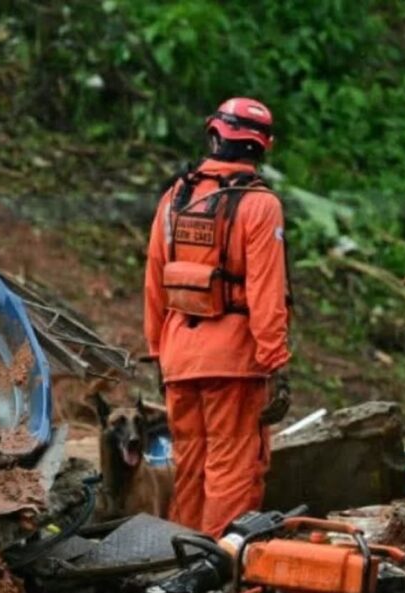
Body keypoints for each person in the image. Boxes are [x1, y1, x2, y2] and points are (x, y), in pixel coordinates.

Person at [143, 97, 291, 538]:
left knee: (189, 466)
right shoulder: (260, 206)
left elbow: (154, 282)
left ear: (214, 135)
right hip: (234, 363)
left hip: (179, 357)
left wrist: (158, 351)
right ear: (262, 147)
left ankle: (177, 559)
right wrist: (275, 362)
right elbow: (267, 294)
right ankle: (216, 575)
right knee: (233, 468)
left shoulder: (175, 198)